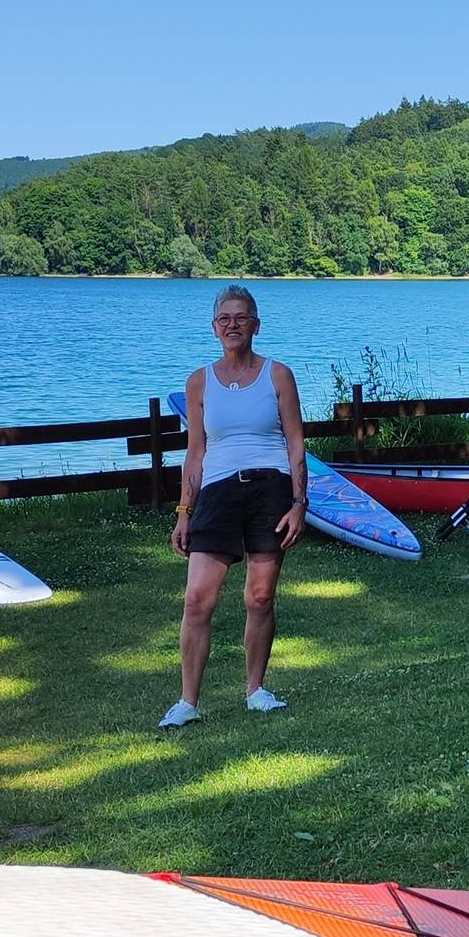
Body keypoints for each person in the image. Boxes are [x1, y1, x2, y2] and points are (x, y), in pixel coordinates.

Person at [160, 284, 307, 729]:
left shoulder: (278, 375)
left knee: (260, 597)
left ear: (255, 325)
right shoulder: (199, 382)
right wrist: (184, 512)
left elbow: (296, 443)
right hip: (218, 492)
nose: (233, 325)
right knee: (197, 600)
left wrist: (299, 503)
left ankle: (256, 690)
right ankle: (187, 702)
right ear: (214, 328)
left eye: (241, 317)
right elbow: (195, 452)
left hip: (270, 488)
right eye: (224, 319)